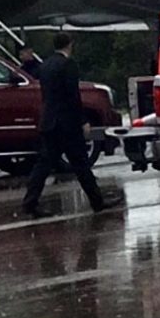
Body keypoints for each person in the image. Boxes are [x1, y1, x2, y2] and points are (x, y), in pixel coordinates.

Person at [22, 32, 107, 216]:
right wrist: (83, 120)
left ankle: (30, 202)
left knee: (43, 164)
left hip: (49, 120)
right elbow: (72, 96)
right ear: (70, 45)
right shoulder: (68, 65)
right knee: (81, 163)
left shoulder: (45, 65)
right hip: (67, 123)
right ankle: (97, 202)